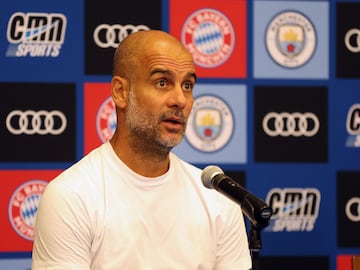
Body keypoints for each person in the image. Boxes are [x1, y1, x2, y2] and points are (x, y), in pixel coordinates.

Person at [31, 30, 252, 270]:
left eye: (187, 85)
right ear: (121, 92)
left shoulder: (217, 197)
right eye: (162, 82)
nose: (180, 99)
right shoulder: (71, 196)